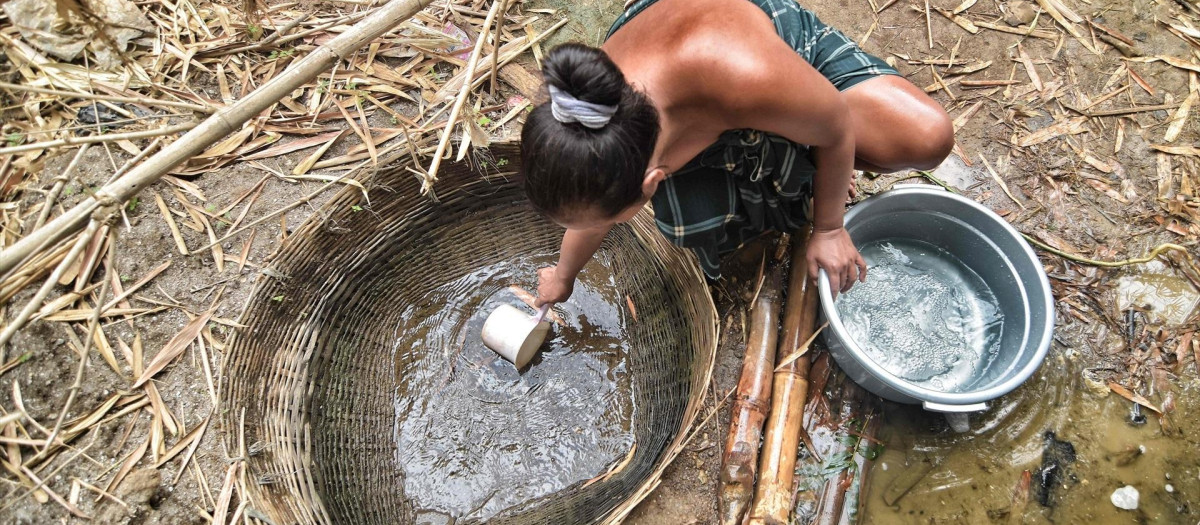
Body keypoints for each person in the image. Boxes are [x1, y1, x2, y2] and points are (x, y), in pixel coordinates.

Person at [521, 0, 953, 307]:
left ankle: (802, 143)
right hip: (696, 73)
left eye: (615, 216)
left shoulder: (745, 76)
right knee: (694, 218)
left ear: (653, 179)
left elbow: (837, 126)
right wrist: (562, 277)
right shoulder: (591, 118)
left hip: (746, 46)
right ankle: (798, 147)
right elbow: (593, 213)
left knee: (926, 139)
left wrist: (829, 227)